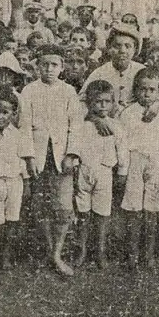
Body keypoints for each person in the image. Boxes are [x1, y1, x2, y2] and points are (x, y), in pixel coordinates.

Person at [20, 44, 81, 276]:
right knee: (41, 206)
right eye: (44, 64)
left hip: (61, 157)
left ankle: (57, 252)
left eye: (54, 64)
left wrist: (71, 154)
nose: (49, 69)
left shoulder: (68, 91)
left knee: (63, 207)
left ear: (62, 67)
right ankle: (48, 251)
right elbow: (24, 126)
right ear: (37, 66)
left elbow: (75, 126)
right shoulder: (29, 91)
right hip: (38, 155)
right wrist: (29, 157)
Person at [119, 67, 159, 269]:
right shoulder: (128, 113)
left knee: (152, 209)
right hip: (134, 161)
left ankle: (149, 254)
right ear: (135, 90)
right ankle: (132, 254)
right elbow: (123, 143)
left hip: (156, 162)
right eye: (143, 89)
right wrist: (123, 169)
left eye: (152, 90)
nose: (147, 93)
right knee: (133, 210)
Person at [65, 80, 127, 269]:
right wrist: (75, 165)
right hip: (85, 171)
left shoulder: (116, 126)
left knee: (102, 213)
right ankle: (81, 250)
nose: (102, 106)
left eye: (107, 102)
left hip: (105, 172)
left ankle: (100, 251)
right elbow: (74, 146)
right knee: (83, 212)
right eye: (98, 101)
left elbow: (122, 150)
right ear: (90, 103)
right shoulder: (82, 125)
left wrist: (122, 171)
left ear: (113, 103)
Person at [0, 90, 34, 270]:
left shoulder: (18, 135)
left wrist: (26, 184)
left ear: (14, 113)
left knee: (12, 220)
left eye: (5, 112)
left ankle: (6, 256)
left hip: (14, 183)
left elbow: (23, 162)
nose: (0, 116)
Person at [79, 23, 145, 112]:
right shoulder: (100, 73)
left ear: (135, 49)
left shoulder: (142, 71)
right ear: (109, 48)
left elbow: (157, 95)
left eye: (128, 46)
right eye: (117, 46)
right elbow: (82, 100)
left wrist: (157, 103)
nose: (122, 51)